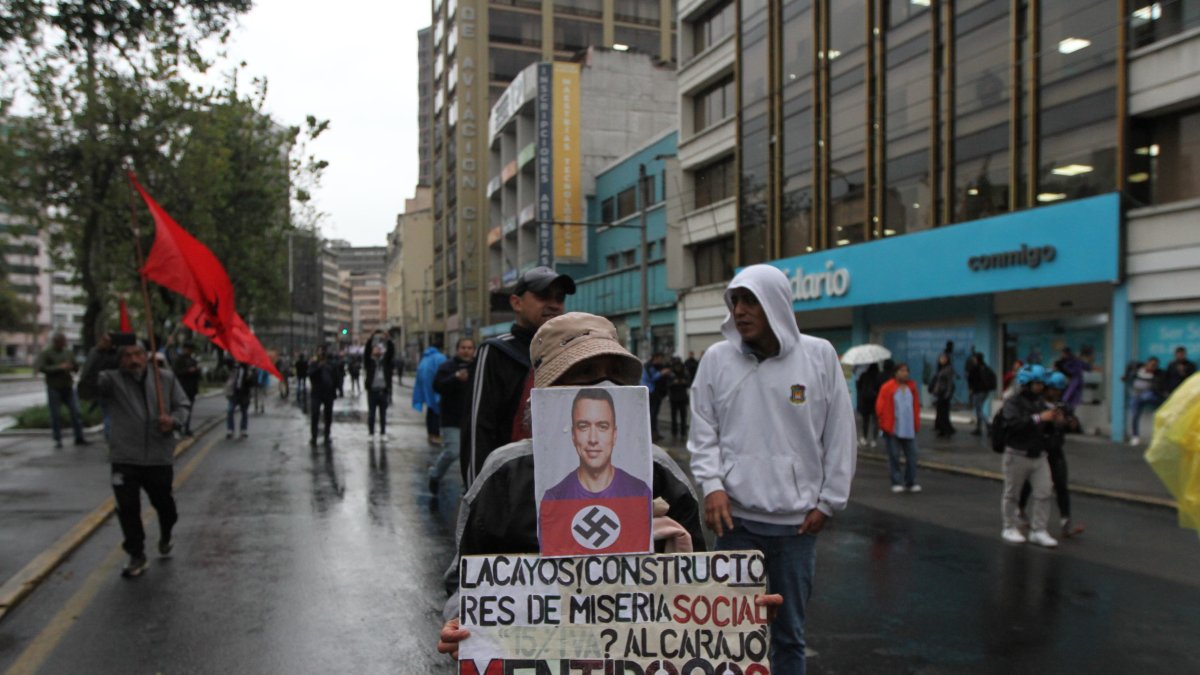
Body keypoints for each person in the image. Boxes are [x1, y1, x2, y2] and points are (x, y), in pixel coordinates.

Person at [437, 312, 720, 662]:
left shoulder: (659, 471)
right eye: (585, 373)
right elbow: (464, 578)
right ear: (547, 389)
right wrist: (460, 621)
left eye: (615, 373)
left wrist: (740, 608)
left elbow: (700, 583)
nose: (604, 385)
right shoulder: (503, 472)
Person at [688, 264, 856, 673]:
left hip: (796, 530)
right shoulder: (716, 359)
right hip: (736, 525)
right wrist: (712, 485)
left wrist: (829, 502)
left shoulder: (818, 356)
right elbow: (703, 428)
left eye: (751, 301)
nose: (740, 311)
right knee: (731, 635)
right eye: (736, 301)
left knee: (788, 636)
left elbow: (840, 433)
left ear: (775, 304)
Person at [84, 343, 190, 578]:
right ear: (120, 359)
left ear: (146, 356)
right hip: (125, 458)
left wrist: (173, 421)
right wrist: (97, 351)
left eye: (138, 354)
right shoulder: (110, 380)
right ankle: (136, 554)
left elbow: (182, 405)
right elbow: (85, 389)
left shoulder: (165, 378)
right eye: (127, 355)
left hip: (158, 457)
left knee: (165, 506)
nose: (133, 360)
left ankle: (166, 534)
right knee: (127, 508)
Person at [465, 266, 575, 487]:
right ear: (516, 303)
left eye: (559, 298)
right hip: (510, 486)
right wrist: (478, 495)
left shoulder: (572, 353)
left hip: (560, 487)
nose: (554, 304)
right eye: (543, 296)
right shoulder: (495, 352)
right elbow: (478, 431)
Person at [543, 387, 652, 500]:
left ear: (614, 434)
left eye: (602, 427)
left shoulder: (640, 492)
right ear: (573, 434)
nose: (593, 439)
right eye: (583, 427)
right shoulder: (554, 498)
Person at [998, 364, 1060, 548]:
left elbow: (1046, 428)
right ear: (1026, 383)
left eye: (1041, 384)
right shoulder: (1012, 402)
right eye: (1037, 383)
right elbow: (1014, 425)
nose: (1041, 387)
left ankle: (1038, 530)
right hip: (1017, 454)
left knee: (1044, 492)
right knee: (1012, 493)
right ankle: (1009, 527)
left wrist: (1054, 421)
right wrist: (1040, 418)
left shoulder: (1040, 402)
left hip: (1039, 454)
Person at [1019, 371, 1084, 539]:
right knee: (1030, 482)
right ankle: (1020, 509)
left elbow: (1073, 425)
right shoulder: (1037, 404)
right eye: (1054, 389)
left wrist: (1070, 423)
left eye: (1060, 390)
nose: (1056, 393)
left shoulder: (1063, 405)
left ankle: (1065, 520)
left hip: (1055, 449)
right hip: (1039, 449)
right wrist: (1048, 420)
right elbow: (1029, 424)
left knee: (1061, 483)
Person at [429, 337, 475, 496]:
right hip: (451, 418)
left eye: (469, 348)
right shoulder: (447, 366)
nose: (466, 351)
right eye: (463, 347)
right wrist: (455, 378)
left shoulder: (477, 366)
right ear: (457, 349)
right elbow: (437, 385)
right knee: (453, 451)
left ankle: (468, 487)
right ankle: (435, 474)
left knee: (471, 455)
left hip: (471, 418)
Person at [36, 332, 89, 449]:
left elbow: (75, 366)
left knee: (76, 412)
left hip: (68, 387)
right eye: (61, 341)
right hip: (54, 387)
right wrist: (59, 367)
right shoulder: (47, 353)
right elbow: (42, 367)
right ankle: (58, 439)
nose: (63, 343)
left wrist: (73, 367)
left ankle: (79, 437)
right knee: (55, 414)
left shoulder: (68, 352)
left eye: (64, 341)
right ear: (56, 342)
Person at [876, 363, 921, 493]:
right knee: (894, 456)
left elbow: (915, 405)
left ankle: (910, 481)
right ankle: (896, 481)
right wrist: (884, 423)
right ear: (895, 373)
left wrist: (916, 422)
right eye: (902, 371)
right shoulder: (887, 387)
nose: (905, 373)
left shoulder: (911, 387)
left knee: (912, 456)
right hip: (893, 428)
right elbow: (880, 406)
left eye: (906, 371)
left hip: (909, 428)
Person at [78, 332, 121, 442]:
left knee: (108, 413)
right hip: (103, 388)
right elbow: (87, 371)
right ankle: (110, 437)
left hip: (107, 388)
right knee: (108, 413)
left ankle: (110, 436)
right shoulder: (102, 354)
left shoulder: (98, 353)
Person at [1126, 356, 1166, 446]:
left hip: (1147, 395)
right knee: (1135, 415)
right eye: (1152, 365)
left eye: (1155, 366)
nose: (1153, 367)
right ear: (1147, 363)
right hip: (1135, 395)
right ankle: (1135, 436)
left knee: (1148, 397)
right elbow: (1130, 371)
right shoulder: (1137, 370)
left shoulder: (1156, 374)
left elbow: (1159, 385)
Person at [413, 344, 447, 445]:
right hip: (437, 390)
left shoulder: (425, 358)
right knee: (436, 413)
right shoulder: (440, 358)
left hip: (427, 390)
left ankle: (431, 434)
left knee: (431, 411)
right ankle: (436, 435)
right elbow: (445, 372)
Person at [308, 345, 337, 446]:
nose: (322, 354)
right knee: (315, 414)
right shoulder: (314, 364)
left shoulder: (330, 364)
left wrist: (335, 389)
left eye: (323, 352)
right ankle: (314, 436)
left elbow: (335, 376)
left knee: (328, 415)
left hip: (328, 393)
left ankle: (327, 434)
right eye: (320, 352)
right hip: (316, 392)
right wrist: (318, 367)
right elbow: (310, 374)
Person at [365, 341, 394, 440]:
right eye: (375, 348)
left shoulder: (385, 361)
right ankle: (371, 433)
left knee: (383, 414)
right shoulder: (369, 362)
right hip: (372, 391)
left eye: (379, 348)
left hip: (383, 391)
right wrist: (370, 339)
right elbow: (366, 352)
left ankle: (383, 433)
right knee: (371, 414)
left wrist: (388, 339)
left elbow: (391, 352)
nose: (377, 350)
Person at [172, 341, 201, 436]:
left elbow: (197, 377)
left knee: (189, 410)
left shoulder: (193, 361)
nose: (190, 351)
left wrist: (197, 371)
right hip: (182, 388)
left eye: (191, 350)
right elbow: (176, 372)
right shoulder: (179, 360)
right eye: (188, 349)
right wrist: (188, 371)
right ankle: (179, 427)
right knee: (181, 409)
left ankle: (186, 428)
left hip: (191, 389)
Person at [966, 352, 997, 435]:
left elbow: (971, 380)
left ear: (976, 359)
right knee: (978, 409)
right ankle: (979, 428)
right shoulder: (985, 367)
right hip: (985, 391)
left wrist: (971, 389)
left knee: (978, 409)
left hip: (977, 391)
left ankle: (988, 424)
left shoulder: (975, 368)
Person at [642, 352, 670, 441]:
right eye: (660, 359)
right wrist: (661, 373)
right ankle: (651, 433)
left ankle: (654, 432)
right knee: (652, 413)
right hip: (651, 392)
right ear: (656, 358)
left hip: (656, 393)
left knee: (654, 413)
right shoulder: (648, 367)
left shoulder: (655, 366)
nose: (661, 361)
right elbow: (651, 377)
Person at [223, 360, 254, 439]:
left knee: (244, 412)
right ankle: (230, 429)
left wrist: (250, 377)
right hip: (234, 393)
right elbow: (227, 364)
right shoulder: (235, 367)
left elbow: (253, 383)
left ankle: (243, 430)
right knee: (230, 410)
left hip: (244, 394)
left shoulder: (250, 370)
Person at [930, 352, 956, 438]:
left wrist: (948, 394)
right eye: (940, 358)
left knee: (943, 412)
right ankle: (942, 429)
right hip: (940, 392)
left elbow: (949, 382)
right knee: (940, 412)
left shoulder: (948, 369)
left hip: (944, 393)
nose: (941, 360)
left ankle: (947, 430)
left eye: (944, 358)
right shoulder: (940, 368)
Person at [856, 363, 882, 447]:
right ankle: (874, 440)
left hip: (865, 401)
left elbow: (858, 386)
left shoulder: (864, 375)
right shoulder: (878, 376)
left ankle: (864, 437)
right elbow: (880, 389)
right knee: (875, 421)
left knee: (865, 420)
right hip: (875, 401)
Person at [667, 356, 690, 439]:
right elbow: (667, 385)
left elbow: (688, 383)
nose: (678, 368)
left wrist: (684, 382)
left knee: (683, 416)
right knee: (674, 416)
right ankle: (674, 431)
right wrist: (673, 383)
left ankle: (683, 432)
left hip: (682, 398)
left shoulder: (685, 373)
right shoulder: (671, 374)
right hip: (674, 398)